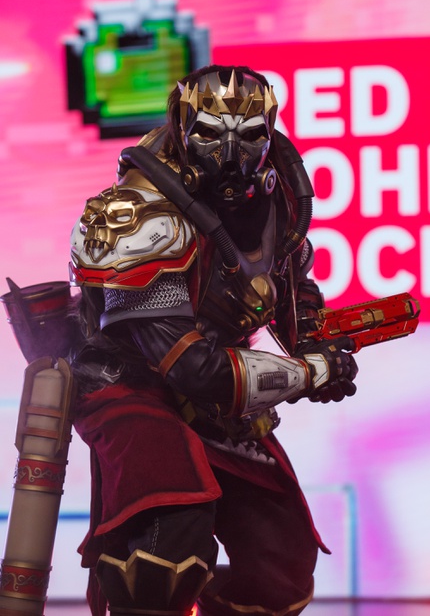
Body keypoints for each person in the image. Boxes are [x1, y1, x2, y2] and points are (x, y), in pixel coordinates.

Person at [69, 64, 358, 616]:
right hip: (132, 385)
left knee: (280, 569)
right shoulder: (139, 215)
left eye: (248, 136)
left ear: (268, 132)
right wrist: (312, 372)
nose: (230, 154)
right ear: (183, 128)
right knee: (165, 556)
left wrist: (314, 339)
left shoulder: (276, 194)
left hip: (217, 393)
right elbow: (188, 366)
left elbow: (291, 280)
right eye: (209, 134)